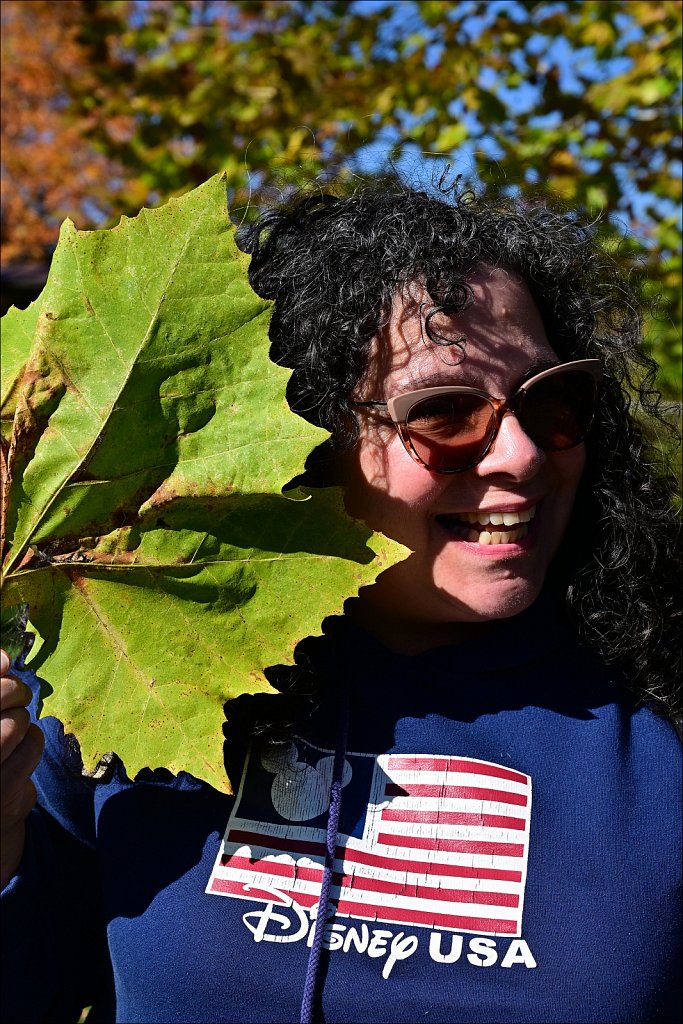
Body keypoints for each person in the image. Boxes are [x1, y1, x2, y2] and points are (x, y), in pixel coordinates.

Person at [1, 177, 680, 1024]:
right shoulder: (121, 685)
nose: (522, 456)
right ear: (312, 433)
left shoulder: (661, 722)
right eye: (446, 412)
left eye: (553, 402)